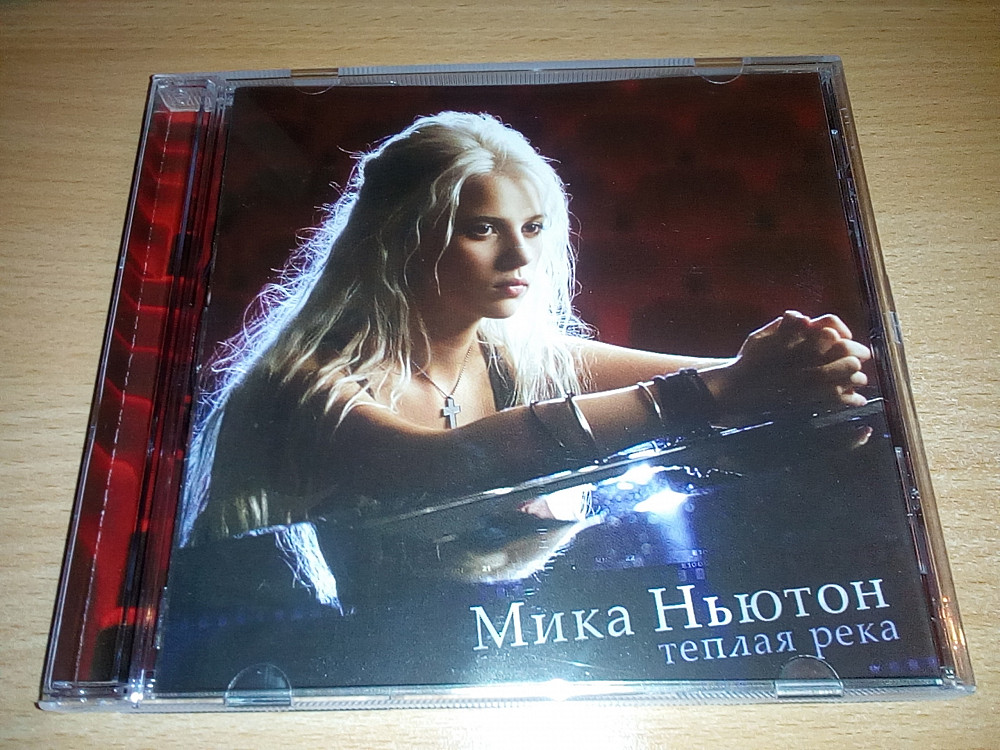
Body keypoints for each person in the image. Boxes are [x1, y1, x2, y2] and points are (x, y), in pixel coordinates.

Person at [180, 111, 871, 555]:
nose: (520, 257)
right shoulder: (303, 383)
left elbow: (719, 373)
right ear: (397, 239)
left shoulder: (507, 352)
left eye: (533, 228)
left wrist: (809, 368)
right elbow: (448, 465)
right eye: (483, 229)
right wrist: (728, 390)